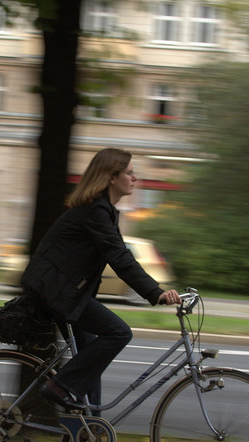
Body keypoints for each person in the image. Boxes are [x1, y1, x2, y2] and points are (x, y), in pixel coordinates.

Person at [20, 148, 181, 412]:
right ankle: (58, 386)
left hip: (64, 290)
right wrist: (156, 292)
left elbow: (118, 255)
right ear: (111, 177)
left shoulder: (102, 209)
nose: (135, 178)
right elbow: (120, 258)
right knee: (119, 332)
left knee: (90, 356)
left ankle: (92, 435)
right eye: (129, 173)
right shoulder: (95, 210)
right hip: (56, 290)